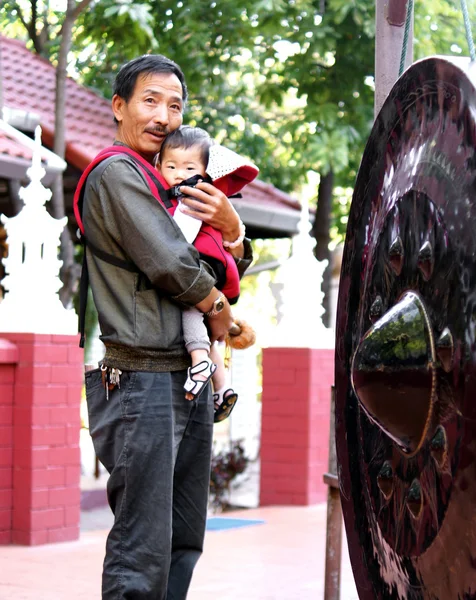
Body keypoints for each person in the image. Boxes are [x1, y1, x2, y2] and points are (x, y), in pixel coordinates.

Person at [78, 54, 252, 599]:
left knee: (183, 538)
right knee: (143, 545)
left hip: (186, 379)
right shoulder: (117, 173)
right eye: (150, 101)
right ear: (119, 107)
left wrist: (234, 228)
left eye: (174, 105)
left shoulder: (175, 183)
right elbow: (173, 265)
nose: (164, 116)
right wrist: (222, 316)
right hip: (142, 381)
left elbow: (217, 265)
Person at [157, 125, 258, 422]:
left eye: (189, 167)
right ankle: (223, 387)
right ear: (159, 165)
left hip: (204, 266)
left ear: (204, 169)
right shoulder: (204, 194)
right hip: (218, 268)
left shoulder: (191, 197)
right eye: (171, 166)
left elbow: (178, 246)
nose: (178, 173)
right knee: (211, 331)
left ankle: (200, 360)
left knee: (190, 307)